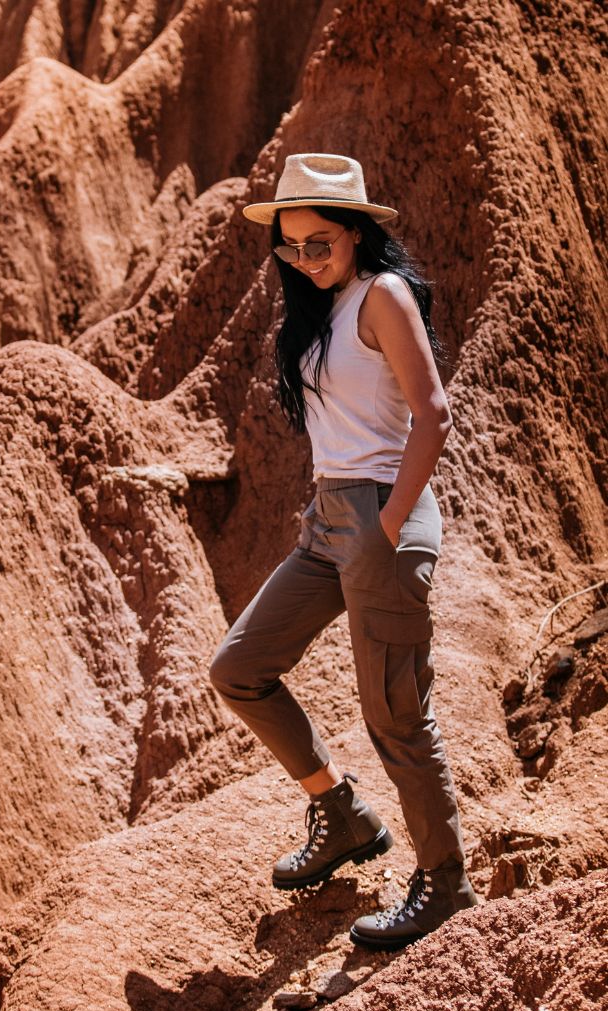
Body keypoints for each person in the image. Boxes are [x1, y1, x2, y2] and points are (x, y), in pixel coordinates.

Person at [208, 153, 480, 950]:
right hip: (332, 519)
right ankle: (343, 814)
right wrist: (342, 514)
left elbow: (432, 416)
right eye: (291, 247)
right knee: (239, 668)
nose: (305, 259)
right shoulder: (321, 311)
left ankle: (447, 885)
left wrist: (389, 524)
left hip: (379, 518)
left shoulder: (383, 295)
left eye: (319, 242)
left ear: (357, 233)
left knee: (396, 713)